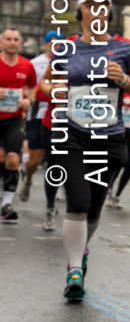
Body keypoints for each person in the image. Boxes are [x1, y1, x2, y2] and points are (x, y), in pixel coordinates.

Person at [39, 0, 130, 298]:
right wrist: (55, 90)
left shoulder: (124, 48)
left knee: (95, 207)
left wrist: (125, 80)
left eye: (104, 6)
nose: (97, 10)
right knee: (78, 200)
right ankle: (74, 270)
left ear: (110, 13)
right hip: (71, 133)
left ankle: (81, 251)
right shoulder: (66, 47)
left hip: (110, 136)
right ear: (81, 11)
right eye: (91, 5)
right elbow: (44, 84)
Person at [1, 28, 37, 223]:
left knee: (13, 160)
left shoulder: (26, 65)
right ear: (1, 42)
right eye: (8, 39)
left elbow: (32, 88)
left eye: (16, 39)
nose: (12, 42)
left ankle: (7, 204)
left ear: (20, 43)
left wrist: (28, 100)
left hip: (14, 119)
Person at [21, 31, 61, 204]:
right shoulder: (35, 63)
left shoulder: (67, 62)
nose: (56, 47)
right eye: (52, 43)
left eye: (59, 43)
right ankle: (28, 178)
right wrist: (29, 99)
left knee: (58, 159)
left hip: (59, 116)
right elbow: (27, 88)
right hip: (38, 114)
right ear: (45, 44)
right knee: (35, 161)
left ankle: (55, 194)